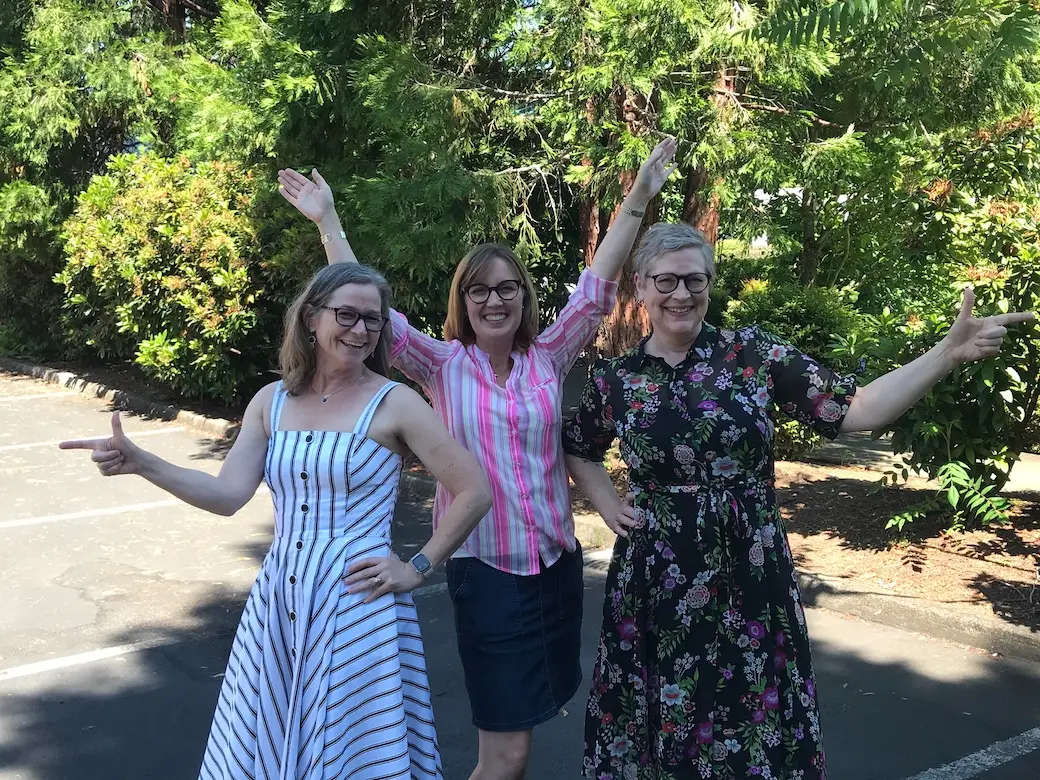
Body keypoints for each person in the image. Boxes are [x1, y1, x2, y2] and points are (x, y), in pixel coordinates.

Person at [562, 222, 1036, 780]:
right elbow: (579, 447)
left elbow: (855, 410)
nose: (681, 294)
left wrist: (947, 353)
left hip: (748, 566)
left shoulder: (754, 353)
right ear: (639, 287)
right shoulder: (614, 379)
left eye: (696, 279)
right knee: (659, 706)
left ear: (712, 283)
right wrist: (606, 503)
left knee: (748, 704)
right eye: (666, 281)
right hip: (655, 571)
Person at [276, 139, 678, 780]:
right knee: (507, 753)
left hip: (554, 566)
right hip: (486, 574)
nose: (496, 301)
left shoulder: (547, 357)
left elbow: (596, 292)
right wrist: (329, 222)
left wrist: (638, 197)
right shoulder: (440, 365)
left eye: (509, 289)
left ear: (524, 298)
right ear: (463, 301)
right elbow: (367, 307)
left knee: (525, 736)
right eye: (481, 291)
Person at [59, 263, 493, 780]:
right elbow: (226, 495)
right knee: (264, 743)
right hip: (279, 602)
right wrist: (142, 462)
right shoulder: (273, 401)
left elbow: (474, 489)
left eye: (372, 321)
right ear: (311, 318)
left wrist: (417, 565)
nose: (359, 331)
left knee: (353, 754)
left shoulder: (395, 402)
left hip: (360, 605)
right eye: (347, 315)